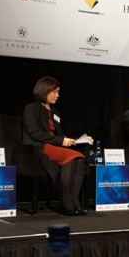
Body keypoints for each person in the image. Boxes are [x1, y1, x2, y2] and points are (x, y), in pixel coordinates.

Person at [23, 76, 92, 216]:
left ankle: (73, 200)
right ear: (44, 90)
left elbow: (60, 134)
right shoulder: (31, 108)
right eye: (54, 92)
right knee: (73, 156)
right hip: (38, 147)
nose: (57, 95)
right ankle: (66, 200)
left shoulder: (55, 113)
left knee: (80, 158)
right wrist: (61, 141)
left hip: (54, 146)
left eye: (58, 92)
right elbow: (35, 133)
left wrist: (77, 140)